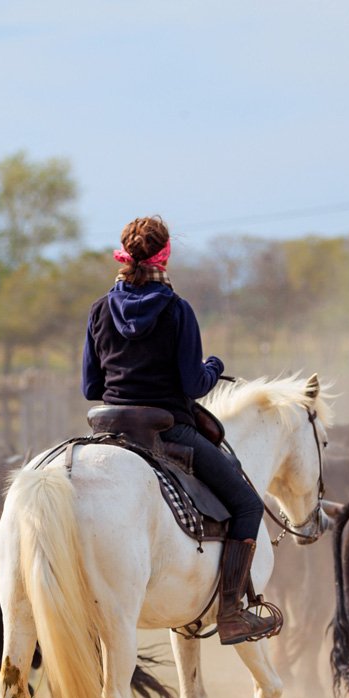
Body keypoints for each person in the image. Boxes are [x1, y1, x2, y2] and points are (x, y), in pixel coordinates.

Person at [82, 215, 280, 644]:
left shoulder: (99, 309)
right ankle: (231, 612)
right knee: (247, 504)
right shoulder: (177, 310)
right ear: (164, 256)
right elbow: (194, 385)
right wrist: (214, 368)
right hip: (167, 432)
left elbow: (90, 387)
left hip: (111, 431)